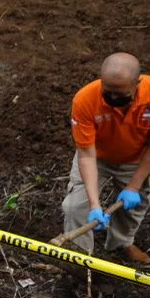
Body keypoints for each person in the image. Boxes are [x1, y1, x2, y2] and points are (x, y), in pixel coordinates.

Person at [61, 52, 150, 265]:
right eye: (108, 92)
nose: (113, 99)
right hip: (96, 157)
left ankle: (121, 242)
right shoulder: (85, 99)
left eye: (121, 94)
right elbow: (86, 155)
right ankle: (79, 260)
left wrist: (133, 186)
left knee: (134, 206)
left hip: (137, 158)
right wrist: (94, 205)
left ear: (137, 84)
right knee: (75, 207)